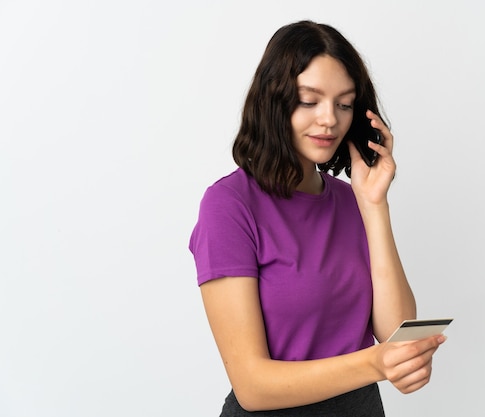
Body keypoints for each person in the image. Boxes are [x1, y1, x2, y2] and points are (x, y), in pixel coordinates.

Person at [189, 20, 447, 416]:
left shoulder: (352, 201)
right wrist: (377, 363)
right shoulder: (229, 205)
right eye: (310, 100)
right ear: (274, 100)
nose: (330, 119)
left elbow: (396, 333)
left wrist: (374, 205)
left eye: (344, 103)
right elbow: (252, 386)